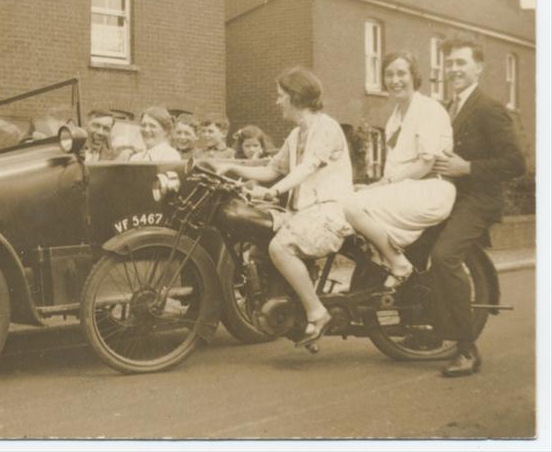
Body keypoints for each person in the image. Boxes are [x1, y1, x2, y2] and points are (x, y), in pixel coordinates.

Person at [217, 67, 353, 347]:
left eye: (281, 96)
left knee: (280, 247)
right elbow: (270, 169)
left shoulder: (326, 128)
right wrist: (231, 168)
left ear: (297, 97)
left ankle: (317, 311)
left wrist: (275, 191)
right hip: (306, 213)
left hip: (329, 212)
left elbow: (306, 168)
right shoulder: (295, 136)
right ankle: (297, 314)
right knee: (259, 243)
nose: (277, 101)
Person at [430, 38, 525, 377]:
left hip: (479, 200)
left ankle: (466, 349)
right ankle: (434, 328)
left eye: (461, 63)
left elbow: (516, 163)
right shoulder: (445, 108)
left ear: (478, 68)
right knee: (417, 249)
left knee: (444, 256)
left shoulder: (488, 107)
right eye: (450, 63)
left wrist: (466, 168)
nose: (454, 69)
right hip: (449, 197)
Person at [344, 51, 456, 286]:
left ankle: (397, 262)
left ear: (413, 76)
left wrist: (383, 185)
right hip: (408, 190)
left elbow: (425, 164)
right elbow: (396, 169)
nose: (395, 80)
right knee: (349, 198)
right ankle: (381, 261)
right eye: (389, 74)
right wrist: (374, 186)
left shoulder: (428, 109)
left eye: (401, 73)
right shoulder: (395, 116)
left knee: (351, 206)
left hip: (430, 189)